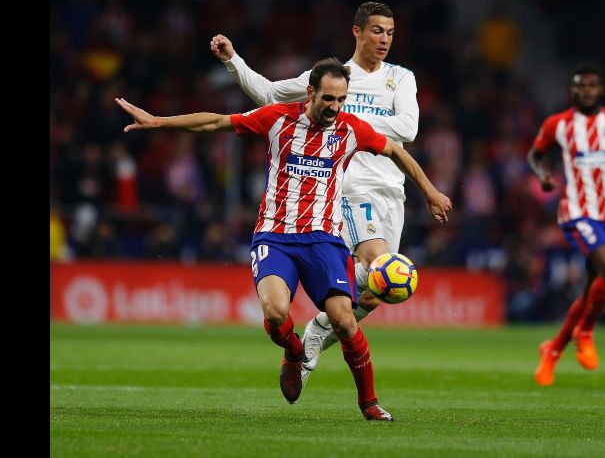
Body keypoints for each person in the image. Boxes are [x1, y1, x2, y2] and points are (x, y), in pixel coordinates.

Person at [115, 57, 452, 420]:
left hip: (324, 240)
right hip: (275, 237)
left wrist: (430, 191)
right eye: (328, 99)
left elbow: (397, 150)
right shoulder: (276, 118)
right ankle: (295, 353)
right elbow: (216, 121)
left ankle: (368, 403)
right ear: (310, 92)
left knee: (344, 320)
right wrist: (159, 122)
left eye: (341, 100)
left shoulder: (351, 128)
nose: (335, 108)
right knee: (276, 315)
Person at [210, 2, 419, 384]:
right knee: (379, 267)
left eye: (389, 32)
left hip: (390, 192)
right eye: (376, 30)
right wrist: (234, 61)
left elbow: (408, 127)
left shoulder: (400, 79)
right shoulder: (330, 78)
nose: (384, 39)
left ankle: (316, 336)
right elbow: (271, 93)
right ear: (356, 32)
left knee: (373, 294)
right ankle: (312, 354)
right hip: (348, 191)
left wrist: (344, 118)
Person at [528, 64, 605, 386]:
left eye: (592, 85)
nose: (587, 91)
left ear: (601, 89)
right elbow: (535, 155)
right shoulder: (559, 124)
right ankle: (586, 331)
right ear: (573, 90)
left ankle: (552, 349)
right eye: (581, 86)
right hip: (578, 211)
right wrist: (543, 176)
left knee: (594, 287)